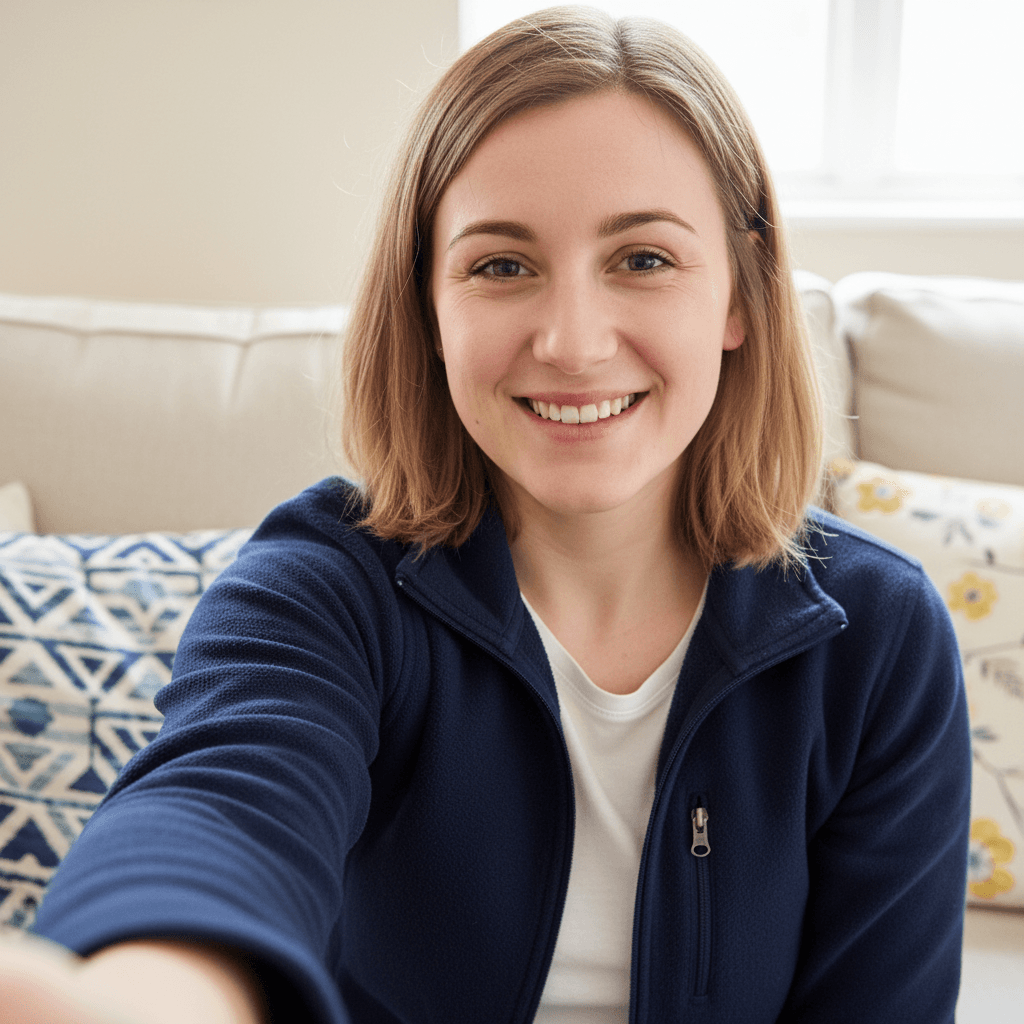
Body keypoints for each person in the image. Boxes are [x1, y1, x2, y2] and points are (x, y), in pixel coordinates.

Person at [2, 7, 970, 1023]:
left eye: (643, 259)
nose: (573, 343)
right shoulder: (324, 586)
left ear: (741, 294)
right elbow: (219, 807)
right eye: (501, 266)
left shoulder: (881, 636)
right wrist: (139, 997)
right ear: (428, 306)